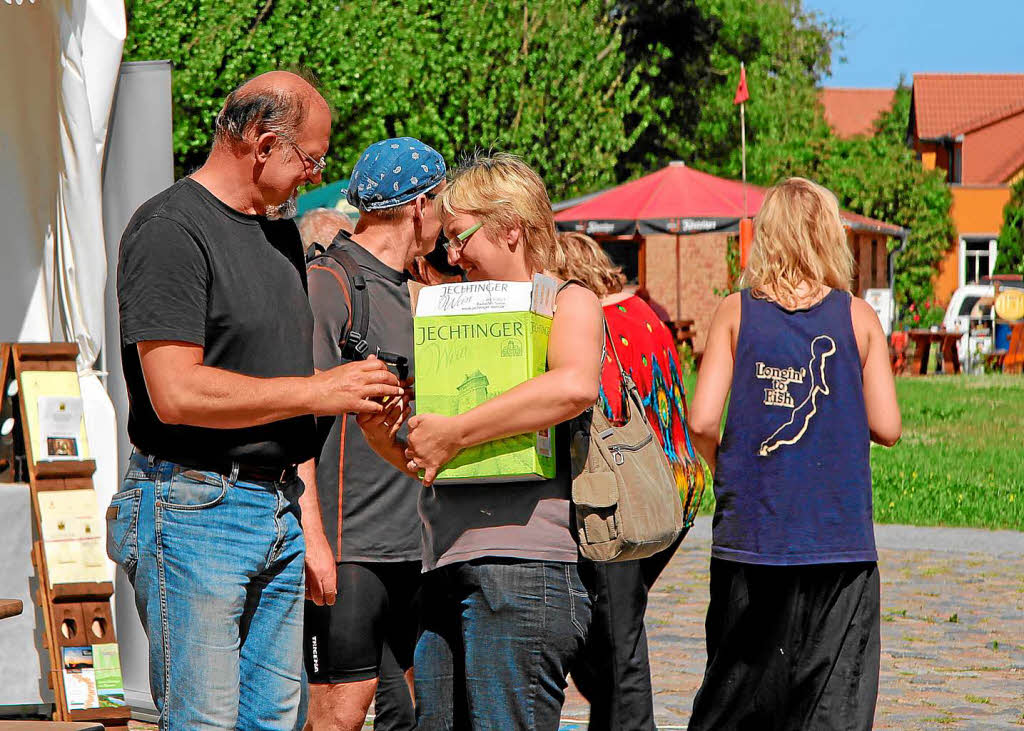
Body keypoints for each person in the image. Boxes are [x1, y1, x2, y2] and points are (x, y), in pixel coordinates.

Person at [108, 71, 403, 730]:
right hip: (194, 505)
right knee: (205, 721)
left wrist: (312, 522)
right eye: (311, 158)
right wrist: (321, 388)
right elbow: (175, 391)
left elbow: (278, 392)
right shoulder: (169, 228)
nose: (313, 174)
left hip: (277, 508)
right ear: (264, 144)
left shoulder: (279, 236)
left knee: (272, 722)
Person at [377, 152, 603, 730]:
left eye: (460, 237)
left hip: (525, 568)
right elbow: (425, 461)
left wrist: (454, 431)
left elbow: (573, 386)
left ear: (510, 228)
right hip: (444, 562)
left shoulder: (566, 301)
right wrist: (384, 426)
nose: (450, 256)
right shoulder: (444, 316)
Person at [685, 177, 902, 730]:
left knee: (736, 699)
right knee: (832, 707)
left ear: (767, 237)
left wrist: (723, 470)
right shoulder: (858, 318)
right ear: (831, 237)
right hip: (839, 543)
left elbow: (702, 419)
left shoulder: (736, 312)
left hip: (751, 540)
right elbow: (888, 425)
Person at [299, 137, 447, 731]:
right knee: (340, 715)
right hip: (349, 547)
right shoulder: (329, 283)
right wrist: (314, 541)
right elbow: (297, 420)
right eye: (441, 202)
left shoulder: (409, 290)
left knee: (409, 715)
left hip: (415, 546)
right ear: (419, 206)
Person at [551, 231, 706, 731]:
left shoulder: (603, 322)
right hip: (675, 484)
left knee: (619, 645)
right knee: (612, 631)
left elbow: (605, 419)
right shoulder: (645, 313)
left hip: (627, 494)